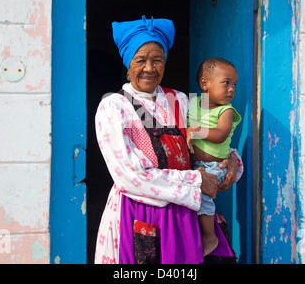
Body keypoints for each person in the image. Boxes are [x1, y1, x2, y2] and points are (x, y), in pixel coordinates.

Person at [94, 16, 243, 264]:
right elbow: (129, 175)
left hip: (187, 217)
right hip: (140, 217)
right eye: (140, 59)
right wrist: (197, 179)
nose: (150, 68)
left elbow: (210, 140)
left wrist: (230, 160)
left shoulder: (182, 99)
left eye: (158, 60)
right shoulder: (114, 106)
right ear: (127, 61)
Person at [186, 57, 242, 256]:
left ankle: (210, 236)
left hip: (215, 166)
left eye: (234, 84)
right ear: (204, 83)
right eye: (226, 82)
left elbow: (220, 135)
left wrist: (195, 130)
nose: (231, 89)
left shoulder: (226, 110)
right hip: (195, 165)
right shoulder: (193, 104)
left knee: (203, 196)